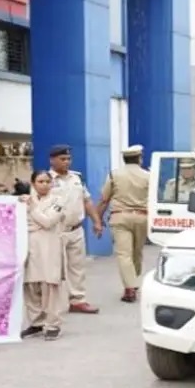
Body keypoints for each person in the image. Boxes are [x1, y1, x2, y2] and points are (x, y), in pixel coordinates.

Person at [47, 144, 103, 314]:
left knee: (77, 267)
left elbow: (87, 201)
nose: (67, 162)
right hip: (55, 231)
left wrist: (96, 221)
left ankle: (77, 300)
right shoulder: (46, 179)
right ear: (52, 160)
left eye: (68, 159)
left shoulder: (76, 178)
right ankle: (51, 303)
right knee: (53, 268)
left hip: (76, 229)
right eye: (62, 159)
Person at [97, 144, 151, 303]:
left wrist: (98, 219)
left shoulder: (114, 175)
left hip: (120, 217)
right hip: (142, 217)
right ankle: (132, 285)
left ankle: (130, 286)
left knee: (124, 254)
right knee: (137, 252)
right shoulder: (148, 175)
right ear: (139, 158)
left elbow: (104, 200)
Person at [19, 171, 69, 340]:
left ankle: (53, 324)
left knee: (50, 286)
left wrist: (33, 211)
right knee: (31, 286)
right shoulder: (24, 200)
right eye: (40, 181)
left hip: (49, 247)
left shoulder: (58, 201)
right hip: (30, 247)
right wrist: (34, 217)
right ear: (33, 183)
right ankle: (36, 323)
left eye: (48, 181)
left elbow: (48, 222)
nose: (45, 185)